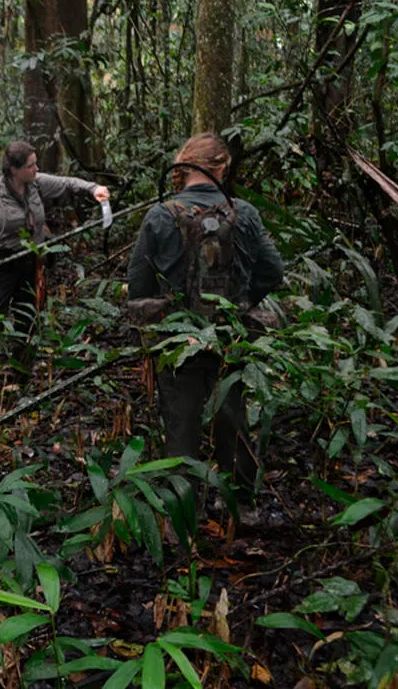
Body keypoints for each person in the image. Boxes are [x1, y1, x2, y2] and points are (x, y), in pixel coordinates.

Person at [125, 133, 283, 516]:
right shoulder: (244, 212)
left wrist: (155, 324)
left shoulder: (161, 215)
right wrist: (243, 301)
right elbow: (273, 271)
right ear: (221, 167)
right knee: (234, 414)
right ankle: (241, 506)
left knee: (181, 422)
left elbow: (138, 285)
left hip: (179, 339)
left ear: (185, 167)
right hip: (232, 333)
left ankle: (183, 513)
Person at [0, 140, 110, 382]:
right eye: (30, 166)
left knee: (28, 323)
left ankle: (21, 380)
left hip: (32, 264)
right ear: (14, 170)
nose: (36, 170)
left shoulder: (36, 184)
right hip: (3, 265)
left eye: (36, 164)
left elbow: (66, 183)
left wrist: (93, 188)